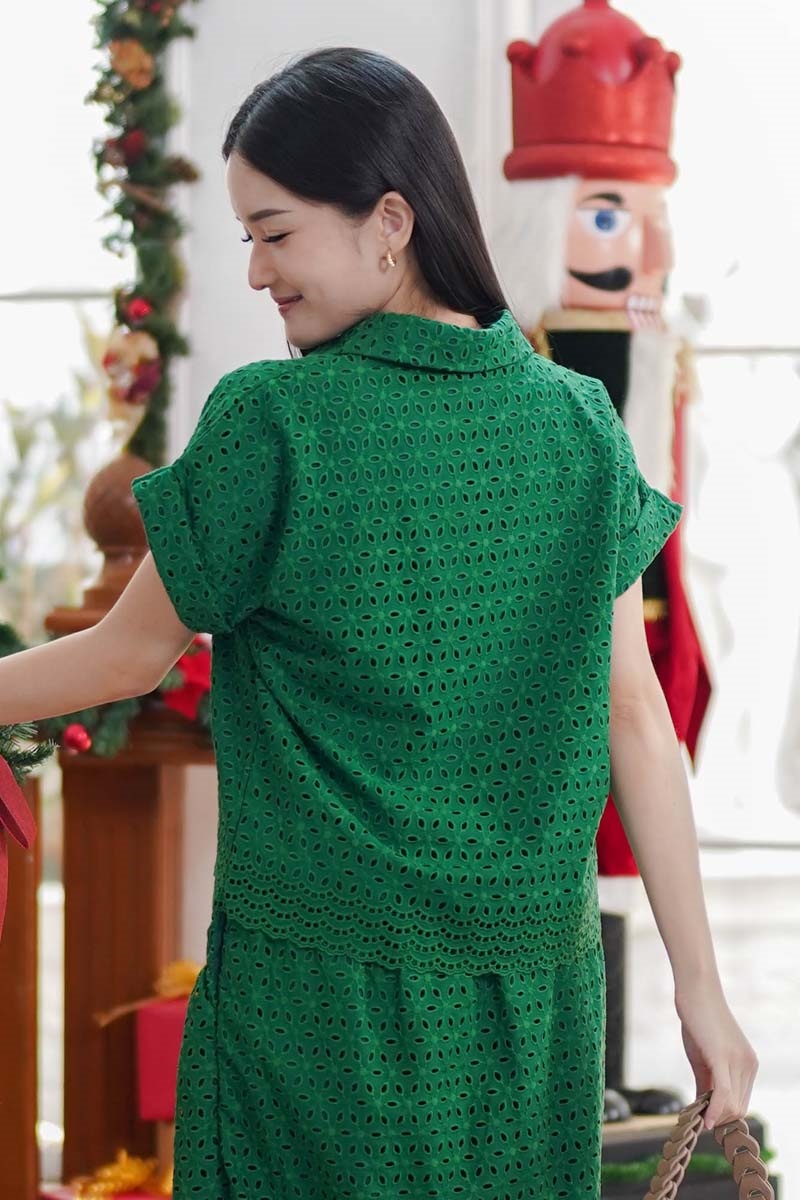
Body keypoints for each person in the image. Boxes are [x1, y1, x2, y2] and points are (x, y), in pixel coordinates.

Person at [0, 45, 757, 1200]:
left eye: (274, 232)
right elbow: (634, 718)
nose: (255, 269)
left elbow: (128, 654)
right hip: (527, 1015)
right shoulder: (578, 424)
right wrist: (697, 995)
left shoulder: (273, 422)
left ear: (390, 221)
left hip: (317, 1010)